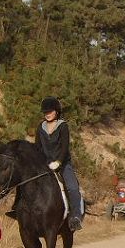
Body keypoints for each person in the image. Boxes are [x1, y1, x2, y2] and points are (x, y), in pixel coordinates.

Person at [35, 97, 83, 232]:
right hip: (44, 164)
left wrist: (59, 162)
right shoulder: (41, 127)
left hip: (62, 164)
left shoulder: (63, 126)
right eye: (45, 112)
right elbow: (37, 147)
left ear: (56, 111)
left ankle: (75, 217)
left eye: (50, 111)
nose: (47, 114)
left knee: (73, 188)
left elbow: (64, 147)